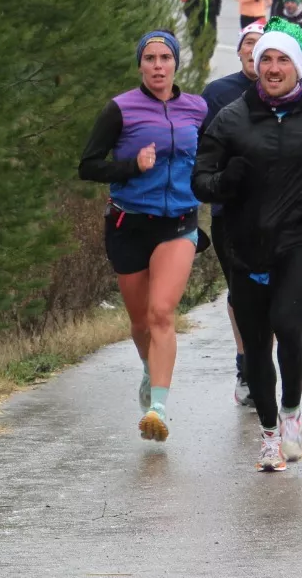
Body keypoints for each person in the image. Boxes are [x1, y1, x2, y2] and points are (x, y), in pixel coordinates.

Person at [193, 21, 302, 471]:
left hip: (301, 239)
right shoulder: (230, 119)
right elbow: (201, 180)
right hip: (242, 243)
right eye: (265, 58)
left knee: (287, 325)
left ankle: (291, 415)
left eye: (282, 59)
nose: (272, 67)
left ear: (300, 66)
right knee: (254, 341)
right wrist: (225, 181)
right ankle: (268, 435)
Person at [79, 31, 209, 442]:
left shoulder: (197, 108)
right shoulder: (120, 109)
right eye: (150, 58)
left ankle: (158, 408)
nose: (157, 65)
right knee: (139, 324)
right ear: (140, 65)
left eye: (165, 57)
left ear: (175, 64)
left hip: (178, 224)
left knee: (161, 314)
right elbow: (88, 166)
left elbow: (213, 157)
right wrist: (132, 166)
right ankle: (149, 369)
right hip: (129, 223)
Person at [202, 19, 271, 407]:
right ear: (241, 50)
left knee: (271, 290)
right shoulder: (217, 93)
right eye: (247, 43)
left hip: (277, 212)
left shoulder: (286, 91)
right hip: (230, 210)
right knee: (242, 292)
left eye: (260, 44)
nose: (252, 50)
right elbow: (199, 152)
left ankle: (260, 362)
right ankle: (247, 365)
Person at [182, 0, 224, 91]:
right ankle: (198, 67)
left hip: (210, 26)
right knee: (196, 47)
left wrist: (215, 11)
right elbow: (187, 9)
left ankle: (205, 61)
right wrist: (193, 18)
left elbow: (218, 3)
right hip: (197, 28)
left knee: (210, 46)